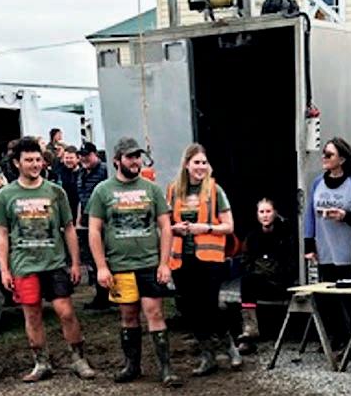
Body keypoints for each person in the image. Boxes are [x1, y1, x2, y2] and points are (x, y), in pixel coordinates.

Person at [0, 136, 95, 383]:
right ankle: (41, 363)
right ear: (17, 163)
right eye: (29, 160)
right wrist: (4, 269)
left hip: (54, 263)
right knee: (32, 315)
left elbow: (68, 228)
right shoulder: (6, 194)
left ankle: (79, 359)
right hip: (24, 265)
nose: (35, 164)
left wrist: (75, 262)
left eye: (38, 159)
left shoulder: (55, 192)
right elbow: (2, 233)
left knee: (66, 312)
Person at [86, 137, 181, 387]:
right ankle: (132, 365)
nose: (135, 161)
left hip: (149, 264)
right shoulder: (103, 191)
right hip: (120, 266)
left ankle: (166, 369)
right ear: (117, 160)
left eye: (138, 156)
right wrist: (102, 267)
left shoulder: (152, 189)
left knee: (155, 313)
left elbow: (166, 226)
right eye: (130, 157)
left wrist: (164, 263)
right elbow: (94, 230)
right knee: (128, 316)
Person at [168, 143, 241, 376]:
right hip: (182, 259)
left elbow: (229, 226)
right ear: (186, 165)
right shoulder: (173, 190)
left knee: (210, 305)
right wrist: (175, 228)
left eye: (203, 162)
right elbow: (165, 223)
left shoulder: (215, 190)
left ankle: (230, 347)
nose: (200, 167)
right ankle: (207, 356)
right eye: (196, 162)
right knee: (190, 308)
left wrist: (205, 227)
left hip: (209, 259)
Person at [303, 136, 351, 350]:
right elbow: (310, 215)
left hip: (348, 250)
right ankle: (336, 337)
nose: (324, 157)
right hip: (325, 248)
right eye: (323, 153)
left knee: (349, 299)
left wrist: (346, 215)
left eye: (329, 154)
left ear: (341, 159)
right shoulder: (317, 183)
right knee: (327, 297)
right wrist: (309, 244)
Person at [236, 198, 295, 354]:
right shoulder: (252, 236)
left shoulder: (284, 235)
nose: (265, 215)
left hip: (280, 282)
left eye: (268, 211)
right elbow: (245, 260)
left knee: (252, 281)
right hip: (259, 280)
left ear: (275, 213)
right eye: (261, 212)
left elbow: (290, 262)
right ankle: (249, 331)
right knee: (247, 281)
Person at [76, 141, 109, 310]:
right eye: (82, 156)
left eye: (87, 155)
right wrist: (79, 219)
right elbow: (81, 198)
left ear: (95, 154)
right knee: (93, 260)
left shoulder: (104, 170)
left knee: (104, 258)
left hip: (103, 221)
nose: (84, 159)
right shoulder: (81, 172)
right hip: (87, 221)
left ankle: (107, 296)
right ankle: (101, 295)